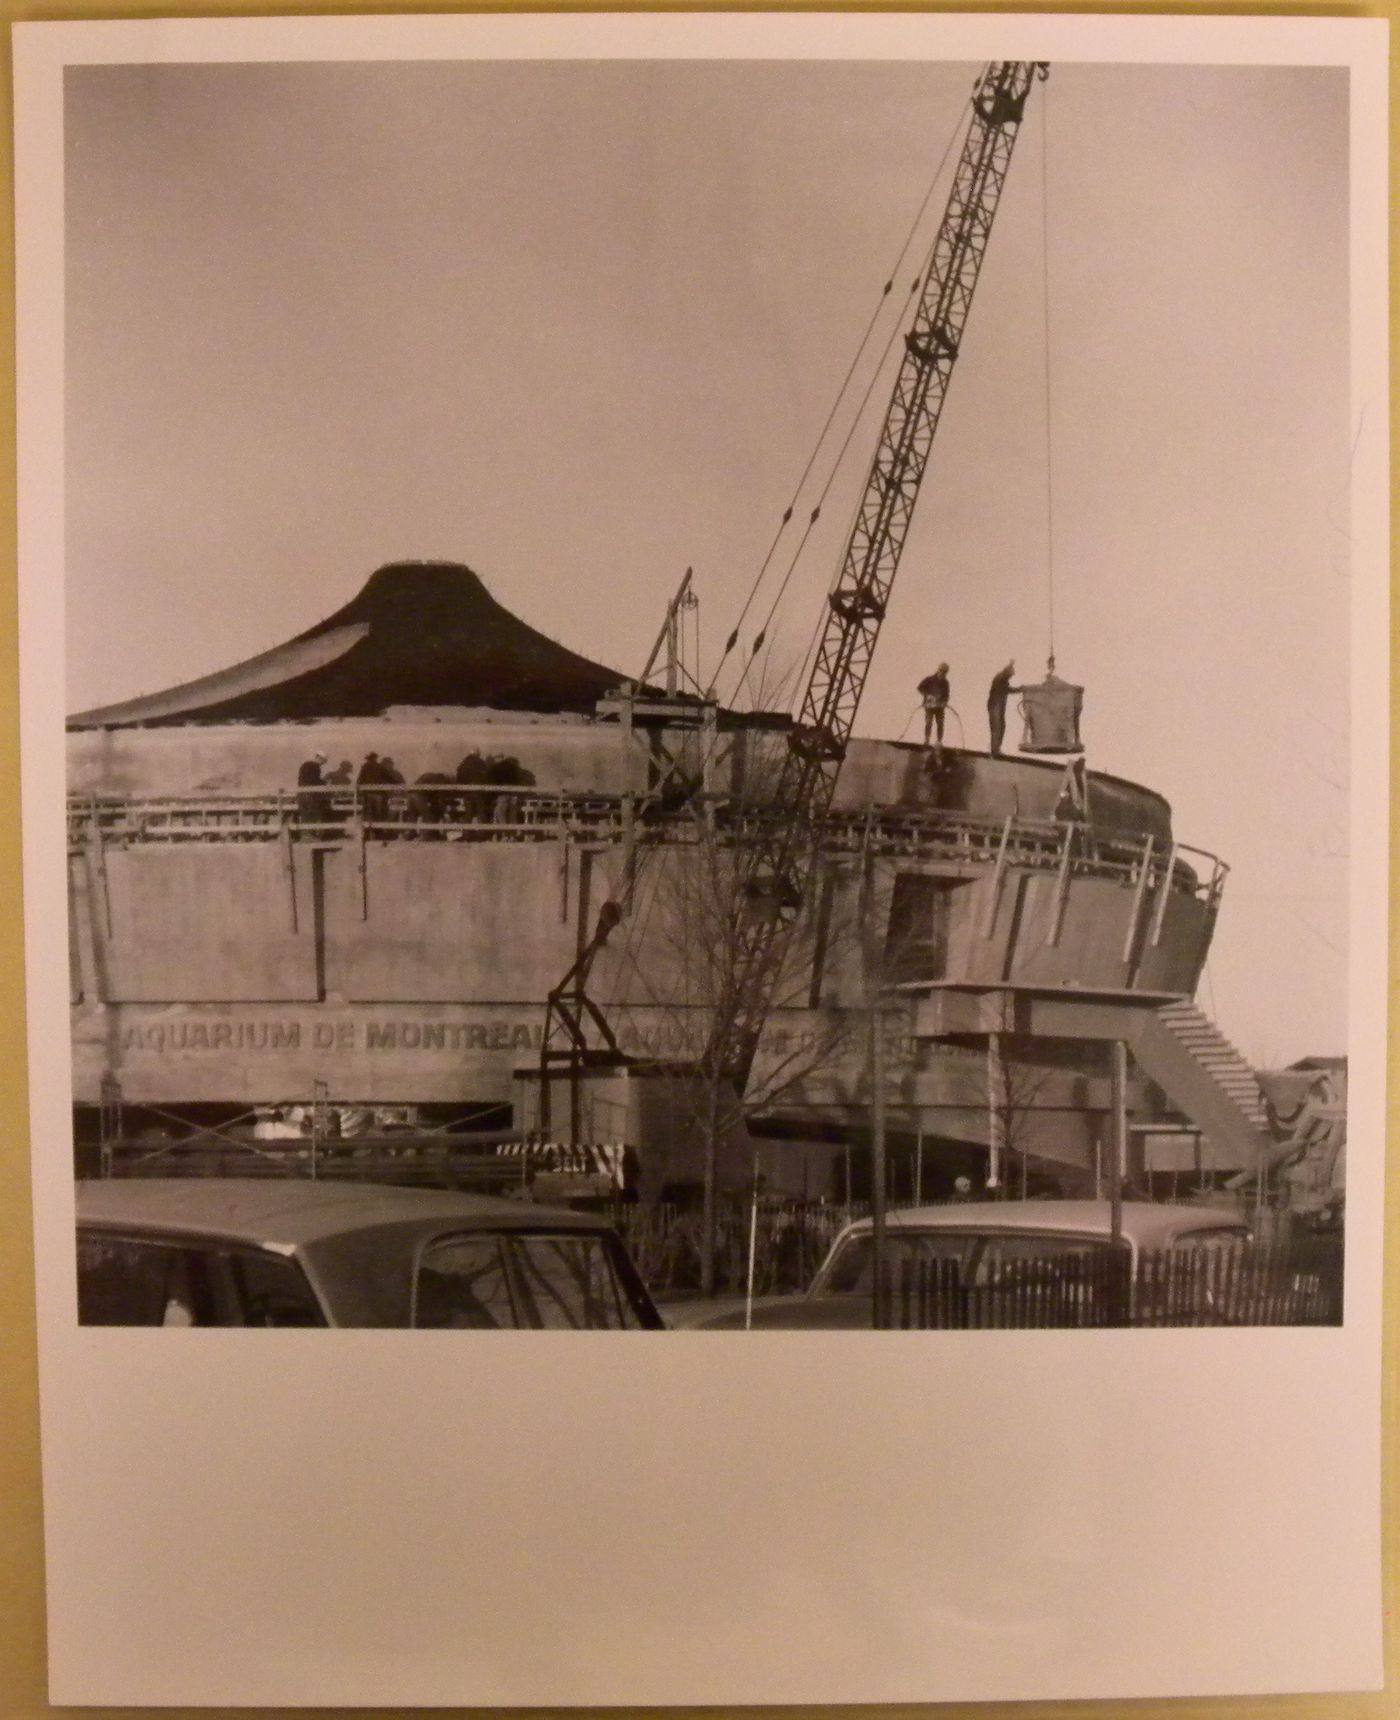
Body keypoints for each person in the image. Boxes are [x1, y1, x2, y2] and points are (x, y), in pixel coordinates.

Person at [986, 661, 1019, 757]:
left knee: (1001, 726)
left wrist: (1020, 689)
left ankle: (996, 748)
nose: (1011, 677)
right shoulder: (999, 678)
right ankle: (994, 750)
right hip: (994, 706)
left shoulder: (1003, 680)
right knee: (997, 727)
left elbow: (1008, 690)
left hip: (999, 707)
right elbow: (1006, 688)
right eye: (1011, 675)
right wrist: (1009, 665)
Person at [917, 664, 950, 746]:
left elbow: (946, 695)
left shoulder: (945, 683)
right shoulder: (929, 679)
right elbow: (920, 688)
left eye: (944, 672)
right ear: (938, 670)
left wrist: (945, 702)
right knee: (928, 723)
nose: (942, 673)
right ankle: (927, 739)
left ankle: (939, 741)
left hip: (939, 707)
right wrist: (928, 695)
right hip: (929, 706)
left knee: (940, 723)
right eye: (941, 671)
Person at [296, 751, 327, 828]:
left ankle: (305, 836)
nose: (323, 763)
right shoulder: (315, 767)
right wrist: (324, 783)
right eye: (323, 761)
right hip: (310, 794)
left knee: (305, 816)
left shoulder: (305, 765)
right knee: (312, 815)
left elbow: (303, 780)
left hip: (301, 793)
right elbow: (313, 781)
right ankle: (309, 835)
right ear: (320, 758)